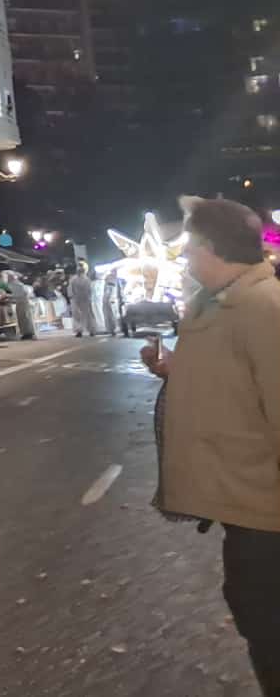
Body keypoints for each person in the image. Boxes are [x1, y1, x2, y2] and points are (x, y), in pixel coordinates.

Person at [144, 196, 280, 693]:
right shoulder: (216, 303)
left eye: (189, 245)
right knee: (254, 612)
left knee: (267, 622)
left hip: (267, 508)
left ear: (210, 247)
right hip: (242, 499)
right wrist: (173, 371)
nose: (184, 256)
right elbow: (233, 379)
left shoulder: (264, 308)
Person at [67, 264, 97, 336]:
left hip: (82, 299)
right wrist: (72, 297)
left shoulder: (85, 280)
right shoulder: (77, 279)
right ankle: (82, 330)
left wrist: (71, 297)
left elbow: (90, 290)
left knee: (85, 315)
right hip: (78, 299)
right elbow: (70, 289)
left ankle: (90, 330)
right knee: (80, 315)